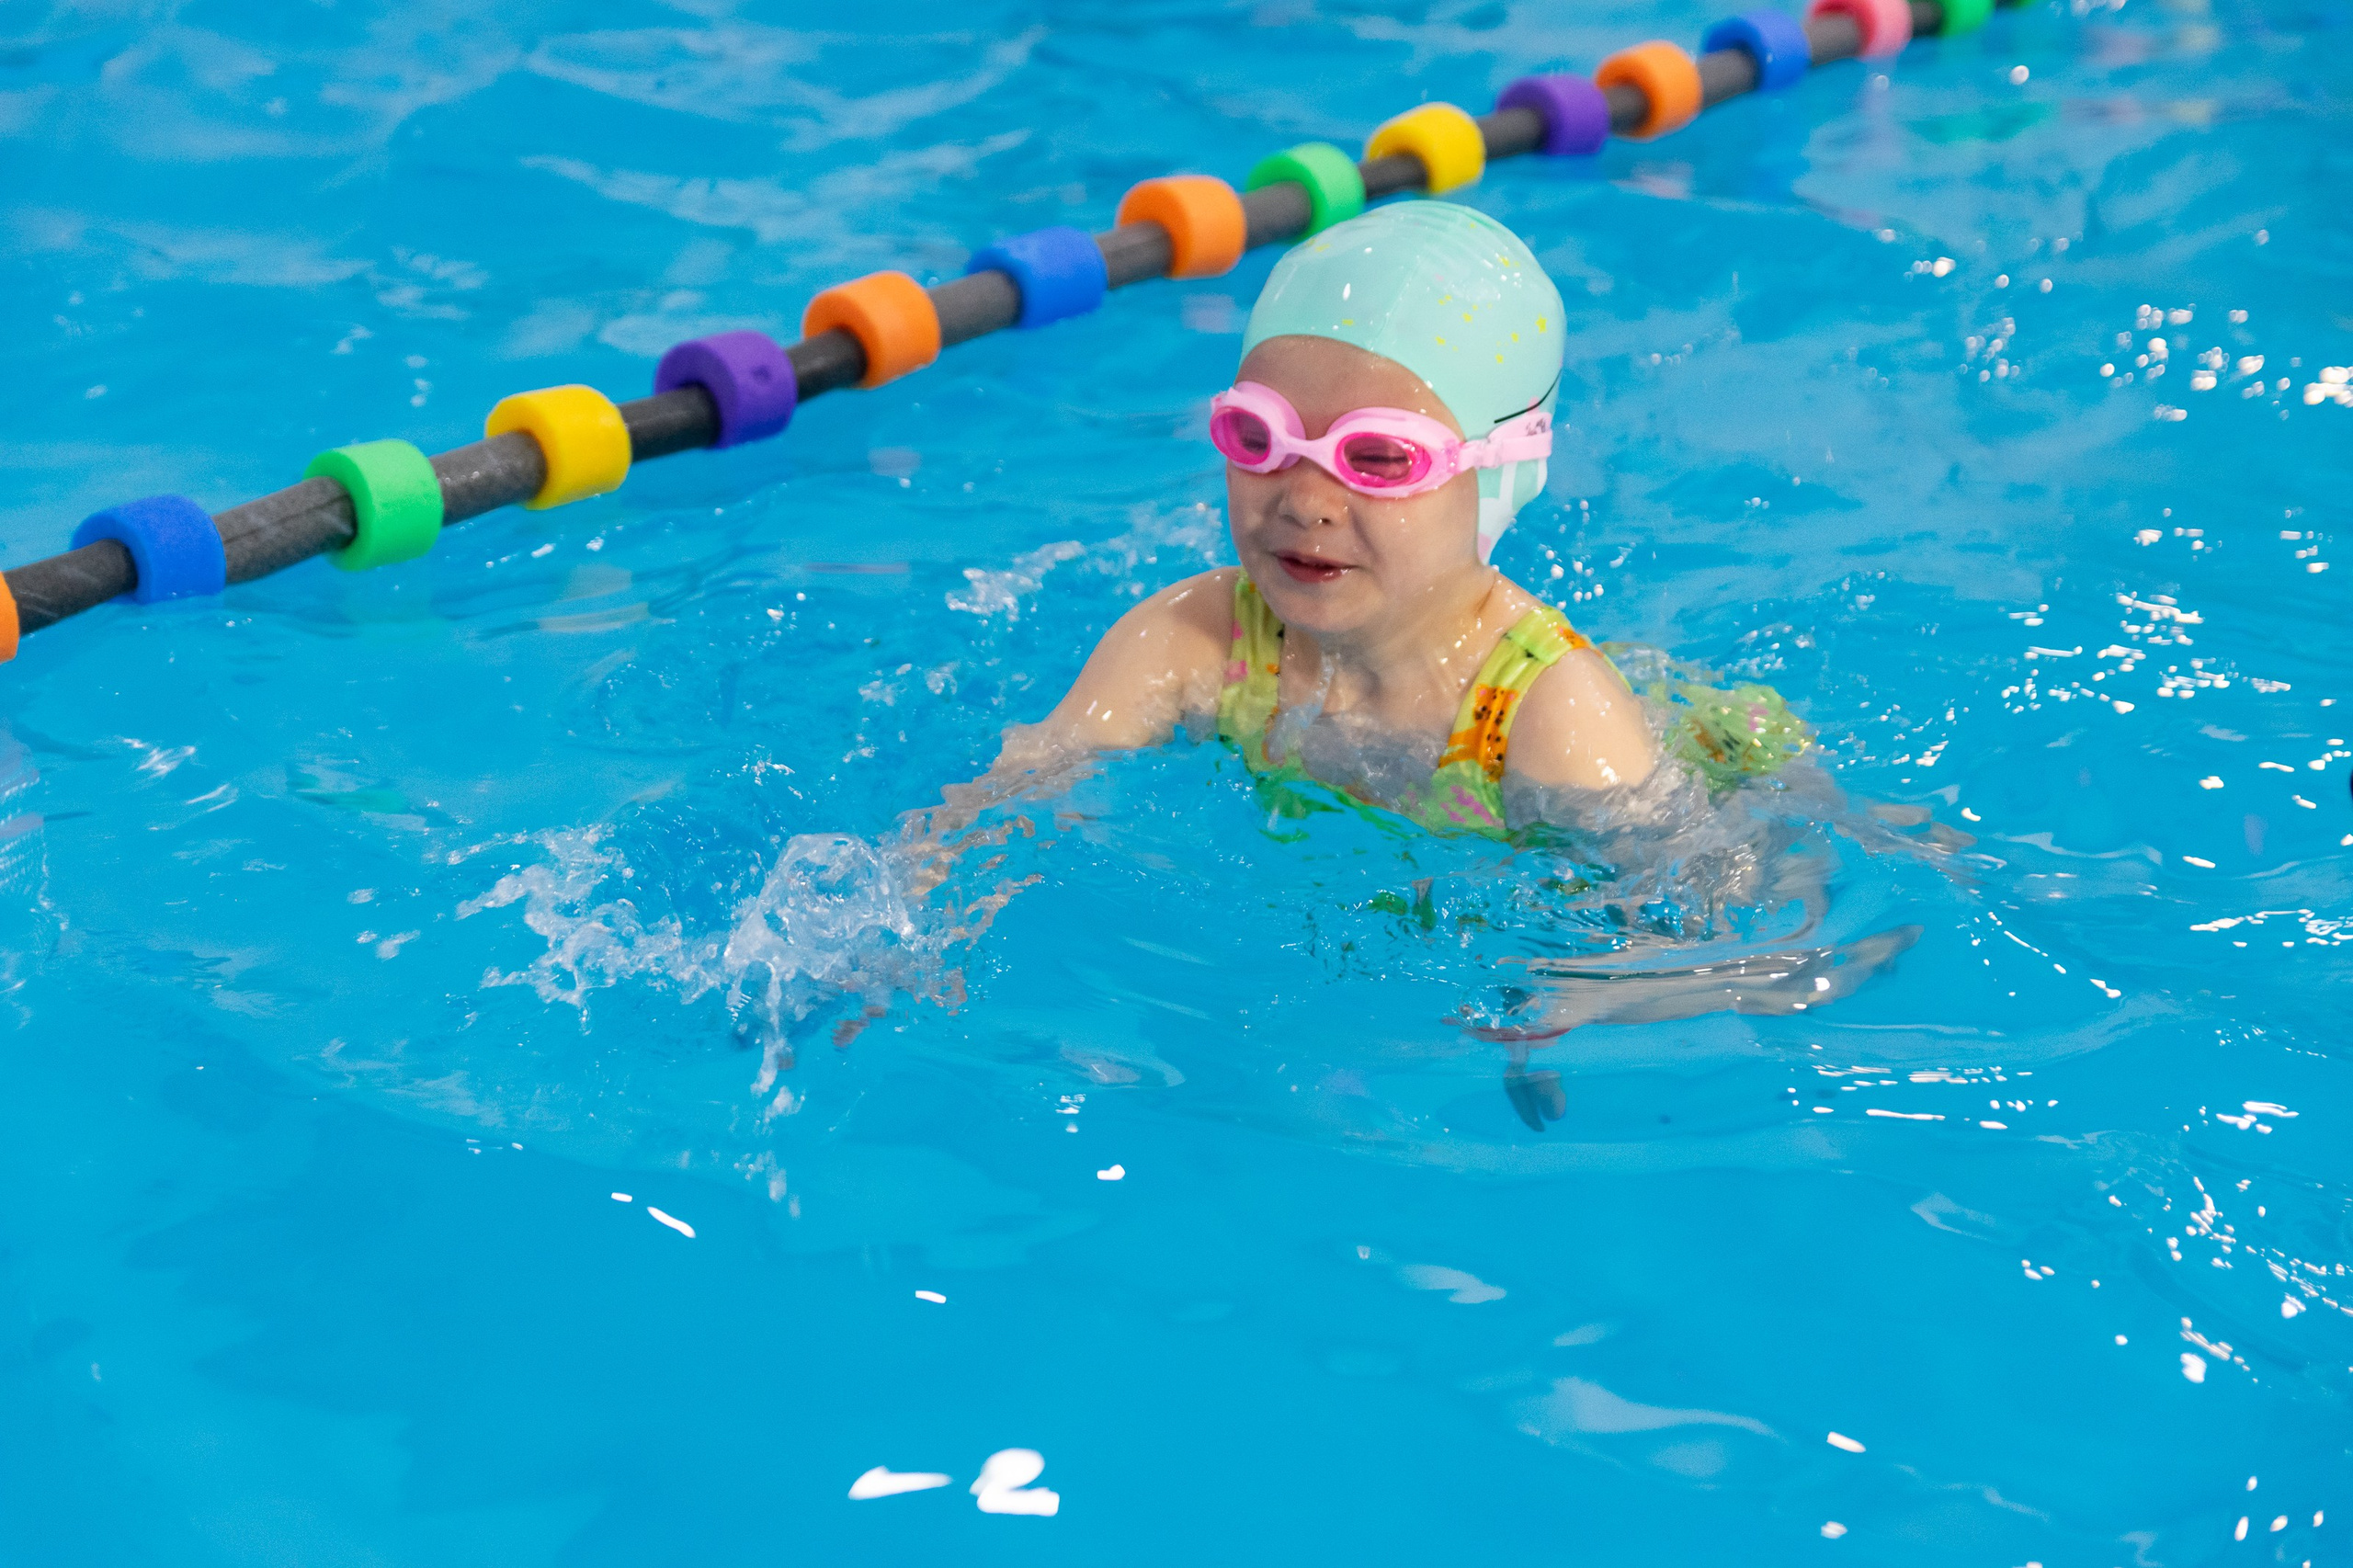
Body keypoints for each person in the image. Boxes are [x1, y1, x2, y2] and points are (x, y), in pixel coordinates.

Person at [956, 199, 1670, 841]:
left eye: (1381, 456)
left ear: (1500, 474)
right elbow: (1010, 798)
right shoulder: (1199, 637)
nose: (1304, 501)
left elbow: (1649, 941)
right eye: (1260, 437)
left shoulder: (1556, 719)